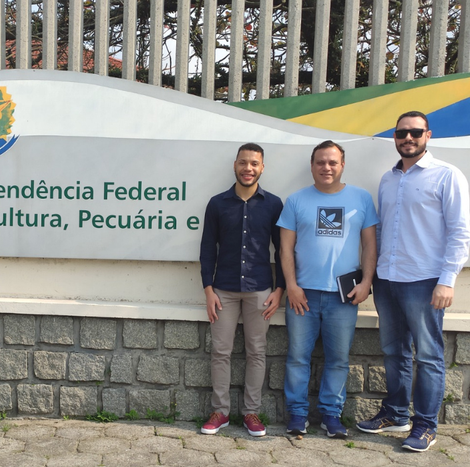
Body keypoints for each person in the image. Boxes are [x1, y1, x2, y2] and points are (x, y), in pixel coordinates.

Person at [356, 111, 470, 452]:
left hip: (424, 281)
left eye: (415, 132)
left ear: (427, 135)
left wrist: (447, 280)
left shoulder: (447, 175)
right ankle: (395, 414)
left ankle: (425, 425)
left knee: (429, 356)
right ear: (394, 137)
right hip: (387, 279)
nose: (408, 137)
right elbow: (381, 230)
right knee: (394, 352)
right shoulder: (388, 179)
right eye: (402, 132)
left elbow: (460, 233)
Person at [278, 140, 378, 439]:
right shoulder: (296, 200)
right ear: (312, 165)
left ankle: (331, 416)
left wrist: (367, 283)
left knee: (338, 360)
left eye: (333, 162)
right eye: (320, 162)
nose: (326, 167)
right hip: (302, 296)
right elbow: (285, 249)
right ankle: (297, 414)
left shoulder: (361, 198)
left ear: (342, 165)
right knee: (298, 357)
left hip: (344, 297)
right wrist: (291, 286)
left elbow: (370, 245)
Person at [198, 143, 285, 437]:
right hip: (223, 290)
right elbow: (207, 248)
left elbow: (282, 251)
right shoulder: (217, 204)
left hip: (260, 290)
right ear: (235, 165)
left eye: (254, 163)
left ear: (262, 168)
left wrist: (280, 289)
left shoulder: (273, 204)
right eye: (243, 162)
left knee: (256, 351)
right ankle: (220, 412)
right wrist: (208, 289)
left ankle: (251, 412)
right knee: (220, 351)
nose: (248, 168)